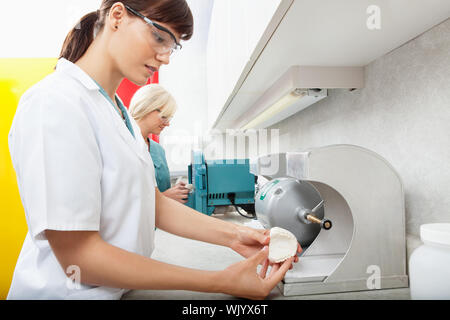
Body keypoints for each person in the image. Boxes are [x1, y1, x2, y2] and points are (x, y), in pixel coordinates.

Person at [7, 0, 301, 300]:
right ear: (117, 16)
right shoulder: (55, 103)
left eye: (173, 46)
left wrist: (237, 236)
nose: (166, 57)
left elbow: (151, 204)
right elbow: (79, 257)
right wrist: (219, 281)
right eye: (159, 36)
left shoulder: (118, 114)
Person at [129, 84, 189, 203]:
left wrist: (175, 192)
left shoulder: (158, 150)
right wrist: (164, 197)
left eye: (169, 118)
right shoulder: (122, 143)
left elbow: (162, 190)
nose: (167, 124)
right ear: (147, 107)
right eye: (164, 117)